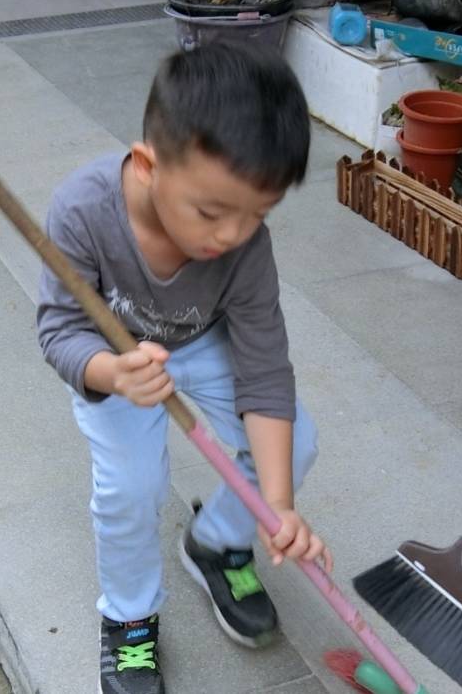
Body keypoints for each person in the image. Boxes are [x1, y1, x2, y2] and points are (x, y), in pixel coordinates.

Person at [38, 43, 329, 694]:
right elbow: (58, 330)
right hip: (112, 357)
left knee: (295, 441)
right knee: (130, 488)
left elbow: (264, 367)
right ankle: (131, 619)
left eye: (256, 214)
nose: (230, 235)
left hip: (204, 342)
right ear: (148, 165)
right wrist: (112, 373)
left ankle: (219, 541)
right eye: (211, 212)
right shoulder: (83, 211)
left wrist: (276, 506)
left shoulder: (245, 244)